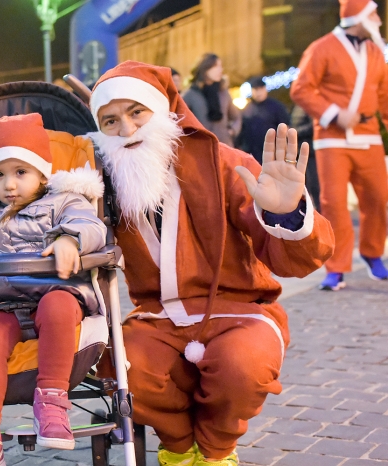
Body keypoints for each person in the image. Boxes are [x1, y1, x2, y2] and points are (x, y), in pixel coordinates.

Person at [88, 61, 334, 466]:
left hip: (239, 312)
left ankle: (217, 451)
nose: (127, 130)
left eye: (137, 112)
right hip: (158, 318)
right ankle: (180, 447)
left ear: (164, 112)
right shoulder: (104, 184)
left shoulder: (224, 162)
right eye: (110, 120)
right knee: (119, 364)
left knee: (243, 367)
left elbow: (301, 260)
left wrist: (286, 212)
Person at [0, 113, 107, 466]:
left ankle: (52, 401)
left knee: (57, 305)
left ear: (43, 173)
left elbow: (92, 228)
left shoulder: (64, 202)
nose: (9, 184)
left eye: (20, 172)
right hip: (1, 301)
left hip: (55, 292)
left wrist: (69, 239)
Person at [291, 0, 388, 291]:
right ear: (359, 18)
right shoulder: (321, 47)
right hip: (332, 138)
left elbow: (385, 96)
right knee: (334, 204)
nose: (379, 21)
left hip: (369, 134)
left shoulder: (376, 51)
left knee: (378, 199)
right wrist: (334, 113)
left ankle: (372, 253)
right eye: (374, 15)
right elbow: (301, 89)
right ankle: (336, 268)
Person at [182, 53, 241, 146]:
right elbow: (182, 122)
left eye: (221, 66)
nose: (220, 70)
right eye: (216, 66)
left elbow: (236, 117)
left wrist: (232, 131)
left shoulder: (223, 92)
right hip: (202, 147)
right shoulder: (190, 94)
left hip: (225, 146)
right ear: (205, 68)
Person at [237, 76, 290, 164]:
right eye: (255, 89)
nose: (258, 92)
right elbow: (242, 131)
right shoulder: (247, 109)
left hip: (274, 153)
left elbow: (286, 128)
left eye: (260, 89)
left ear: (265, 89)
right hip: (253, 155)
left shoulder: (276, 107)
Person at [290, 104, 321, 211]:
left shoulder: (311, 106)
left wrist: (294, 132)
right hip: (299, 150)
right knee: (304, 185)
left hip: (311, 152)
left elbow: (313, 126)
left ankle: (320, 211)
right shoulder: (297, 106)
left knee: (315, 185)